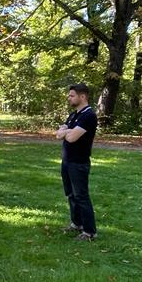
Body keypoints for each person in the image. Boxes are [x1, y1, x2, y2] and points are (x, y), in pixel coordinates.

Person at [55, 83, 98, 241]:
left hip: (78, 163)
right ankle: (76, 223)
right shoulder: (74, 115)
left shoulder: (88, 115)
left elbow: (71, 137)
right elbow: (59, 134)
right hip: (67, 161)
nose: (69, 98)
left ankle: (89, 232)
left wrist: (66, 131)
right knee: (71, 194)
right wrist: (67, 131)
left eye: (72, 95)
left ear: (83, 96)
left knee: (81, 196)